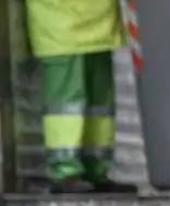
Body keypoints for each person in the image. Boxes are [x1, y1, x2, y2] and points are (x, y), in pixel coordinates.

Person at [25, 0, 129, 193]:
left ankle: (95, 168)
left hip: (99, 23)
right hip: (60, 24)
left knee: (99, 105)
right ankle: (66, 171)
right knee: (66, 104)